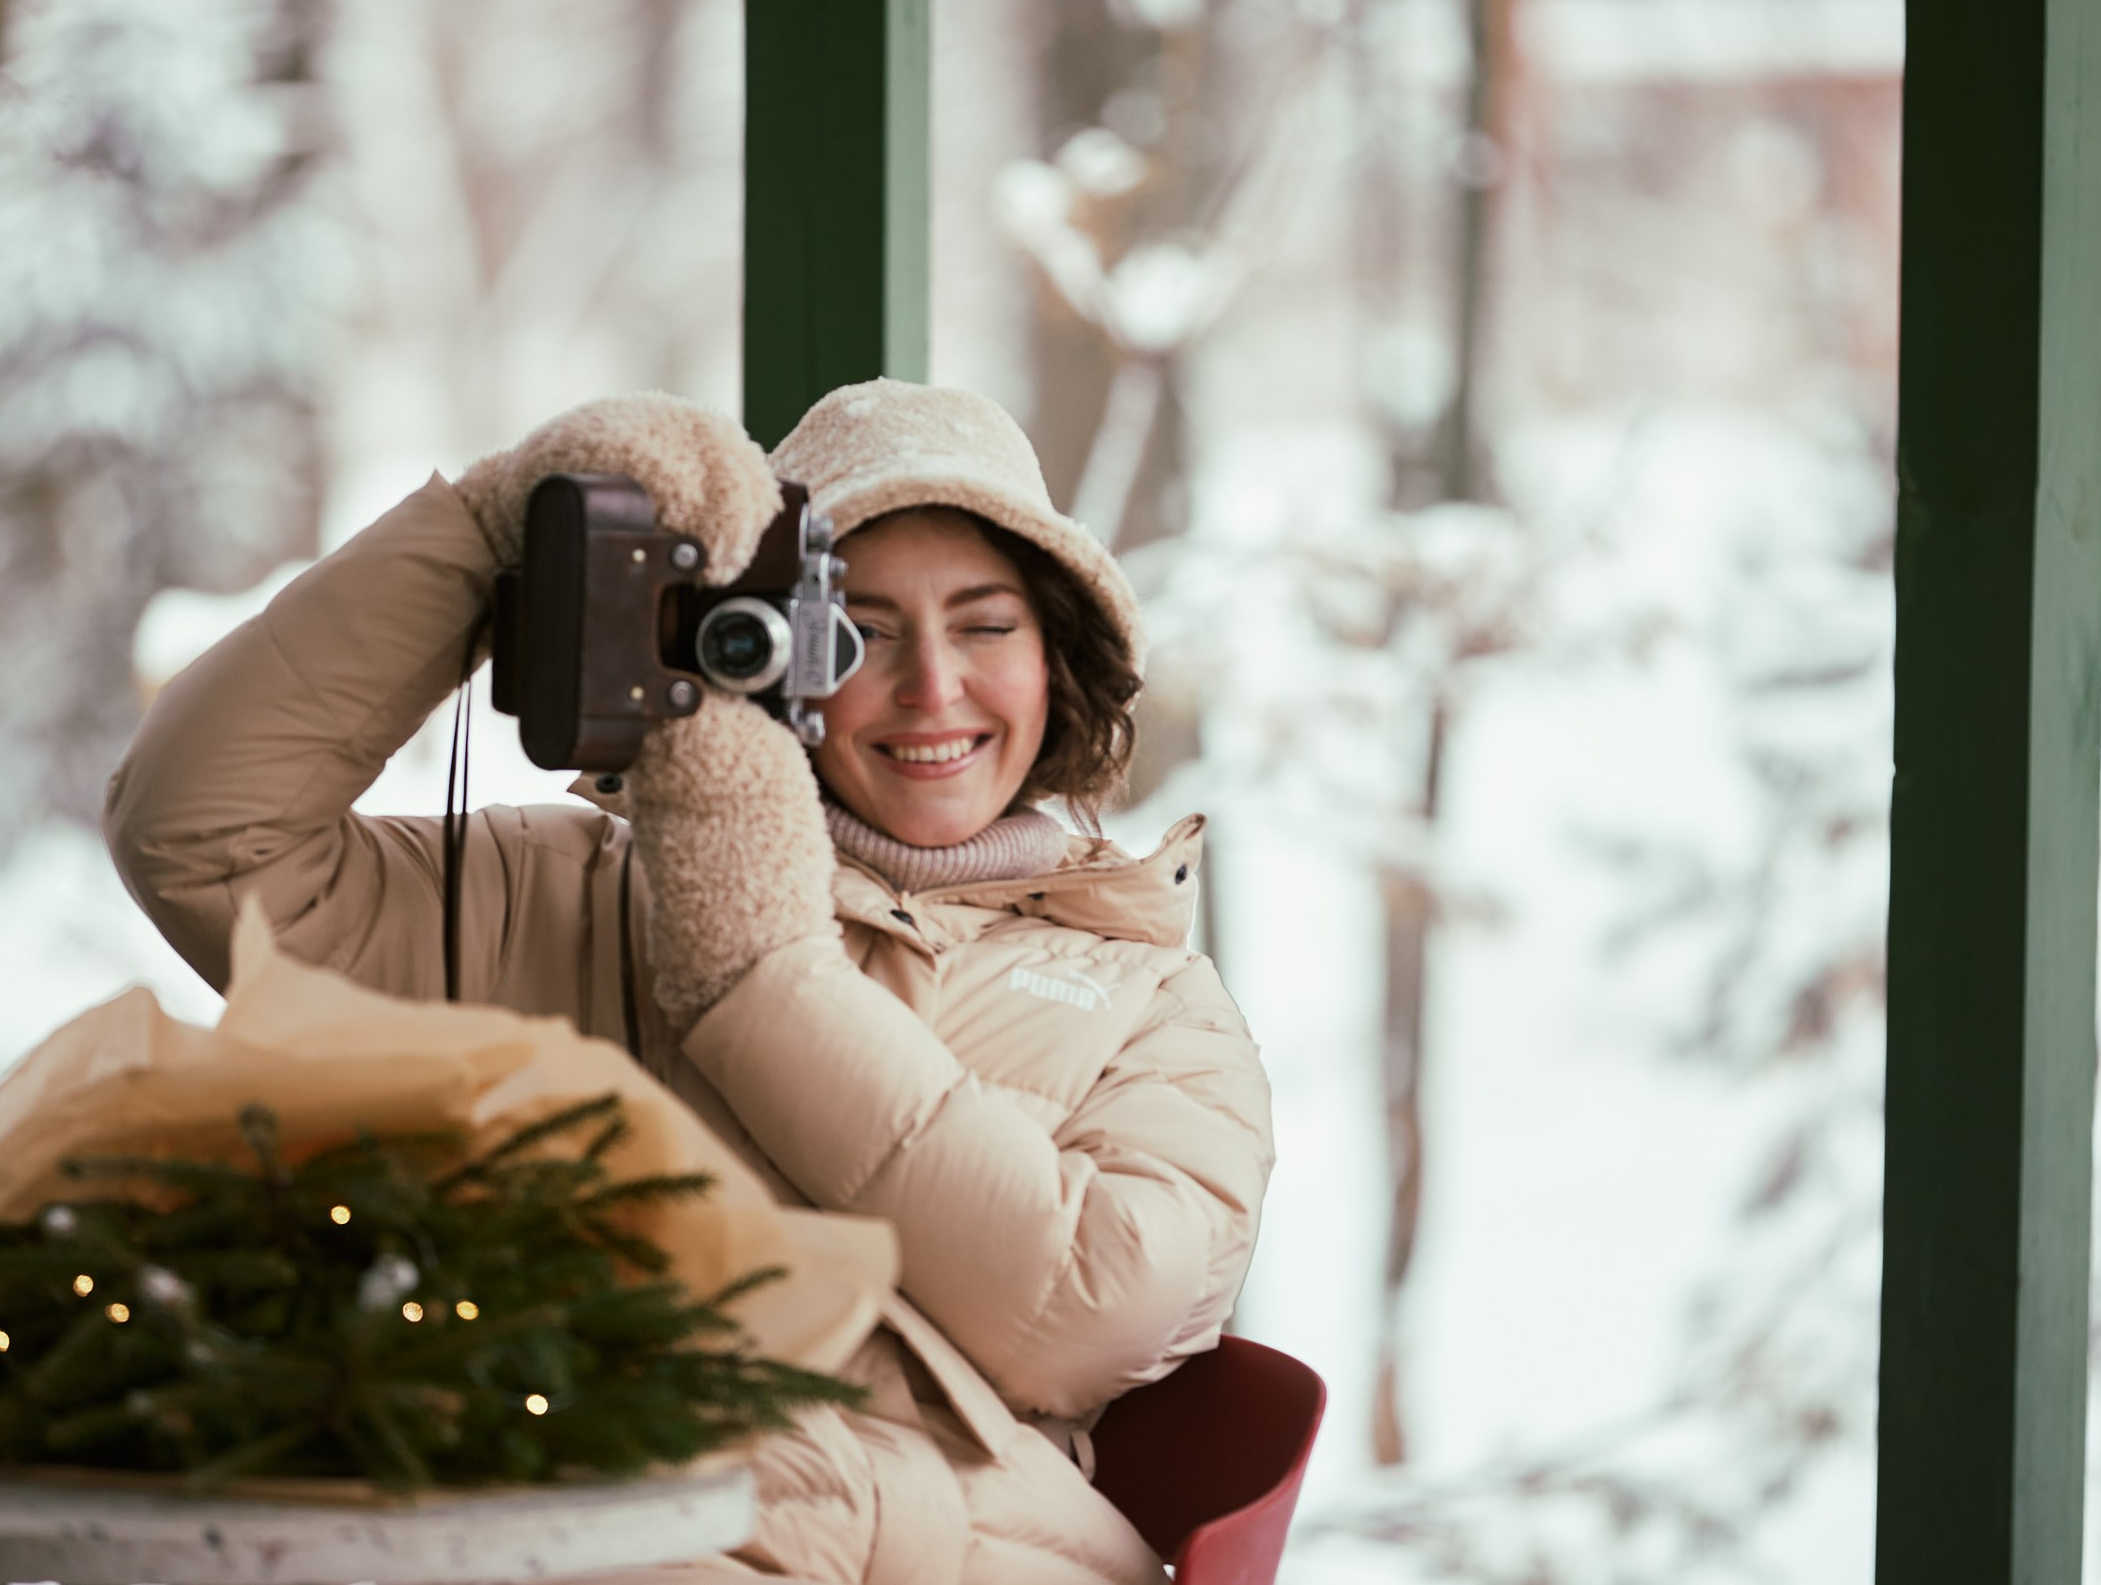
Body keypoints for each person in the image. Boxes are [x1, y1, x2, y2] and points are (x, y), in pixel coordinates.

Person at [104, 378, 1275, 1585]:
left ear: (1058, 658)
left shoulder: (1153, 1002)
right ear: (761, 655)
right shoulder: (572, 897)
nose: (933, 687)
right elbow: (203, 841)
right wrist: (487, 533)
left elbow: (1087, 1310)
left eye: (986, 627)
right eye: (856, 633)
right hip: (575, 1521)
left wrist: (757, 979)